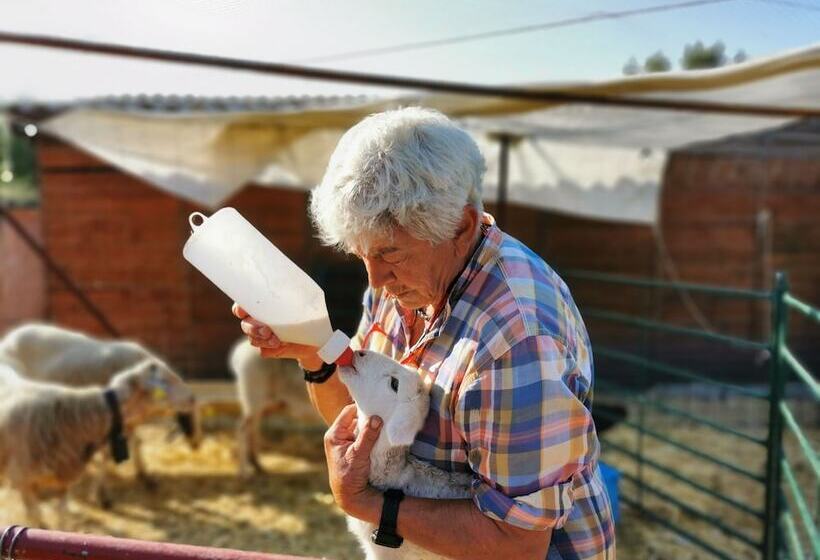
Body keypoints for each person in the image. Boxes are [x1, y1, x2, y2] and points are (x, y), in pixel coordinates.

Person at [234, 107, 615, 559]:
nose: (374, 279)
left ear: (461, 226)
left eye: (388, 253)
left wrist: (369, 504)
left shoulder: (515, 340)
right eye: (360, 254)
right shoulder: (406, 284)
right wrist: (313, 356)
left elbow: (517, 545)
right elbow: (365, 419)